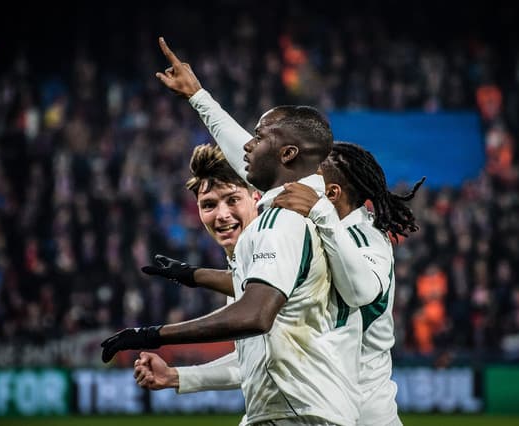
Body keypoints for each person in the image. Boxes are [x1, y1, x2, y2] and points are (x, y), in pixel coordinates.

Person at [139, 36, 424, 426]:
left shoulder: (364, 238)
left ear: (332, 192)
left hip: (362, 416)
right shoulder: (308, 229)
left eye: (314, 174)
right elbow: (264, 347)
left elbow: (359, 292)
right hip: (317, 407)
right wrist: (199, 97)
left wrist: (320, 213)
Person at [101, 96, 361, 424]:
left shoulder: (277, 226)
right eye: (209, 205)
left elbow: (254, 316)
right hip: (295, 410)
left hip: (301, 413)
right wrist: (178, 376)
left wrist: (153, 334)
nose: (222, 215)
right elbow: (257, 357)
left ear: (256, 197)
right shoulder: (251, 263)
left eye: (232, 200)